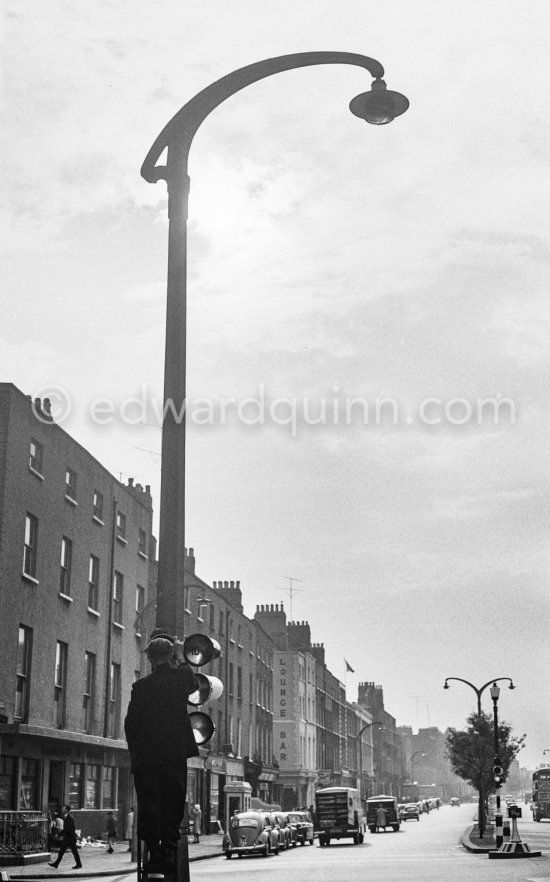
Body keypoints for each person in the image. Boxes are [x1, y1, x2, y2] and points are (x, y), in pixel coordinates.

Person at [124, 629, 198, 873]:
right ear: (170, 656)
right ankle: (169, 847)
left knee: (149, 802)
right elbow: (191, 679)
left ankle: (154, 851)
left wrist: (134, 750)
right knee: (173, 800)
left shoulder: (141, 687)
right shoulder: (180, 678)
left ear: (149, 659)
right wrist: (179, 656)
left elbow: (130, 723)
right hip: (173, 754)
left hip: (147, 757)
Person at [48, 804, 82, 870]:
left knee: (74, 852)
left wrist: (59, 834)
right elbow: (66, 829)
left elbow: (67, 829)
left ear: (67, 810)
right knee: (61, 852)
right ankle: (56, 864)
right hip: (67, 838)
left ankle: (79, 864)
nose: (62, 809)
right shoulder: (66, 817)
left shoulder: (69, 818)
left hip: (70, 839)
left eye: (63, 808)